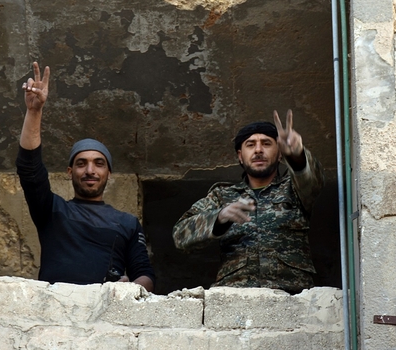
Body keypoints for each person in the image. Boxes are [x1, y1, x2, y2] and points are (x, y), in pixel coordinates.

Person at [16, 62, 155, 292]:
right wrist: (34, 112)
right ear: (70, 172)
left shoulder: (127, 223)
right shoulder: (51, 210)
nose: (90, 170)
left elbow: (145, 276)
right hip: (54, 313)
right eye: (81, 164)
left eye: (98, 164)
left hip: (105, 317)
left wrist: (131, 289)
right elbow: (29, 170)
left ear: (108, 173)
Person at [172, 111, 324, 294]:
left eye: (267, 144)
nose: (258, 150)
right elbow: (180, 236)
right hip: (234, 296)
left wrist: (297, 155)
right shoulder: (222, 196)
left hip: (292, 296)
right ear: (240, 156)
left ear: (279, 155)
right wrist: (218, 218)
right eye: (250, 145)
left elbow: (312, 180)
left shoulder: (295, 189)